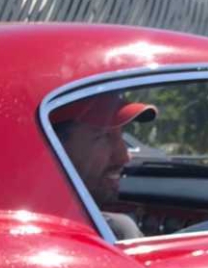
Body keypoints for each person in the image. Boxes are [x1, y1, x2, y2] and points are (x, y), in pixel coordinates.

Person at [50, 92, 157, 239]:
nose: (124, 157)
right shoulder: (118, 231)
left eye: (122, 135)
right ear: (54, 145)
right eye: (103, 136)